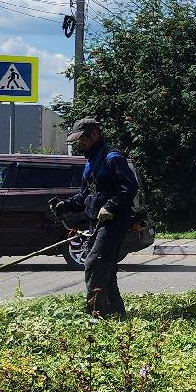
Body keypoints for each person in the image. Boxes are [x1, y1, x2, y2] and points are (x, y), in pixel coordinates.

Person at [53, 118, 141, 319]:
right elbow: (86, 195)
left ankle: (95, 313)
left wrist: (110, 206)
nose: (80, 143)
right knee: (105, 267)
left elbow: (130, 187)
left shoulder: (112, 157)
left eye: (82, 138)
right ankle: (116, 312)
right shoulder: (91, 160)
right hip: (97, 221)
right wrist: (65, 205)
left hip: (115, 220)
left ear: (94, 134)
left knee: (94, 263)